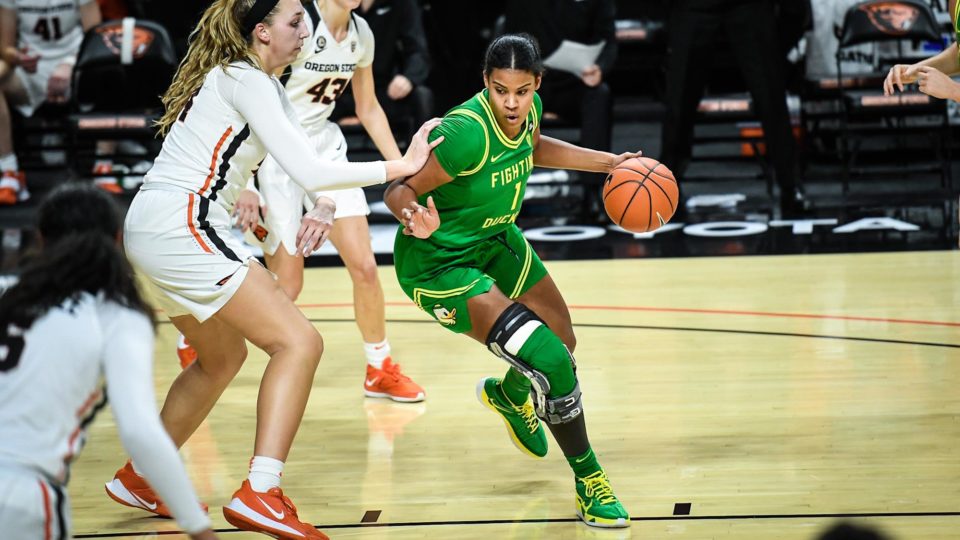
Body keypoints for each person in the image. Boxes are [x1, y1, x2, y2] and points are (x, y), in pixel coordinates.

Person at [101, 0, 440, 538]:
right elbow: (308, 167)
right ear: (261, 33)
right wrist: (403, 165)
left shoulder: (256, 83)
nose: (302, 29)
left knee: (221, 358)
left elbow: (293, 164)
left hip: (150, 227)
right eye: (292, 22)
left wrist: (309, 203)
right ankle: (260, 490)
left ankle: (143, 475)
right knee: (300, 342)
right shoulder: (247, 78)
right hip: (182, 225)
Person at [384, 33, 638, 528]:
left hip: (496, 238)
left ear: (537, 84)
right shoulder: (466, 133)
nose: (512, 102)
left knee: (562, 340)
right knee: (549, 361)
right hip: (439, 262)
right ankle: (590, 480)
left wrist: (610, 163)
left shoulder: (532, 110)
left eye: (522, 91)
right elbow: (400, 187)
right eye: (501, 90)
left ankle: (510, 394)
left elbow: (536, 147)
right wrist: (412, 215)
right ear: (486, 82)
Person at [220, 0, 424, 402]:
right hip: (274, 152)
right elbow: (247, 96)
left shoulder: (361, 33)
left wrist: (403, 166)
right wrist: (248, 182)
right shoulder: (297, 22)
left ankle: (379, 368)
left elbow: (367, 107)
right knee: (287, 285)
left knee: (365, 267)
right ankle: (207, 335)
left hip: (324, 146)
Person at [0, 185, 217, 540]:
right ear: (118, 239)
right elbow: (140, 431)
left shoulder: (12, 299)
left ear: (40, 239)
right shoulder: (114, 315)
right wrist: (198, 527)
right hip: (20, 494)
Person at [660, 0, 804, 217]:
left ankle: (790, 186)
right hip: (694, 7)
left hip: (748, 6)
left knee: (771, 96)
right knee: (679, 99)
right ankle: (666, 186)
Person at [503, 0, 616, 219]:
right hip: (530, 85)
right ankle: (503, 194)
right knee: (506, 99)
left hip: (575, 82)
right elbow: (508, 42)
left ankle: (593, 192)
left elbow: (608, 39)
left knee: (599, 94)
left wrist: (600, 68)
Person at [0, 0, 102, 204]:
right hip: (32, 69)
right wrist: (17, 58)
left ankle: (104, 165)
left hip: (75, 63)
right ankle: (9, 172)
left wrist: (70, 65)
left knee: (109, 69)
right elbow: (5, 47)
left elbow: (96, 38)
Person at [331, 0, 433, 142]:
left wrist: (408, 78)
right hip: (336, 90)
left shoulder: (401, 6)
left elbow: (418, 50)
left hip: (380, 90)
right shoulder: (334, 7)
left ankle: (418, 158)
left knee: (421, 97)